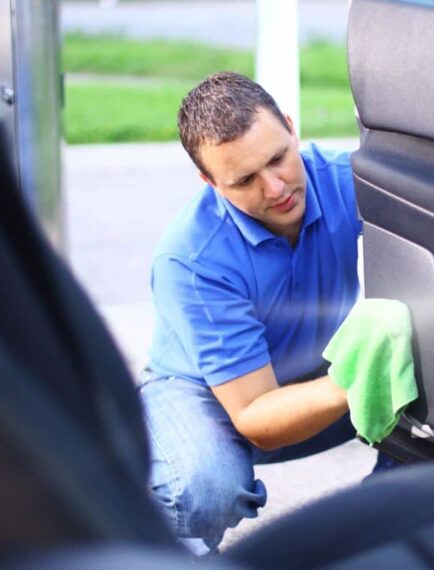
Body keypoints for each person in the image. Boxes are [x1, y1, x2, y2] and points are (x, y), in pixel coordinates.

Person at [138, 71, 378, 555]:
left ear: (291, 128)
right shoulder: (191, 259)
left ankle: (391, 518)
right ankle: (157, 537)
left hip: (311, 370)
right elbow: (255, 415)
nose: (275, 188)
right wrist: (365, 375)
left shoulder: (346, 181)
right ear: (209, 182)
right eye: (244, 179)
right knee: (203, 490)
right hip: (209, 397)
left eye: (278, 159)